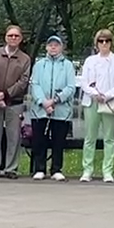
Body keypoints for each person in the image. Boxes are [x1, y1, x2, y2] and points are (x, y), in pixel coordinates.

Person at [77, 29, 114, 183]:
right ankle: (87, 170)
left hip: (110, 102)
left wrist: (108, 95)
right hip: (92, 102)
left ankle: (108, 171)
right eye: (101, 41)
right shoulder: (90, 61)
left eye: (107, 41)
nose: (104, 44)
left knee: (109, 138)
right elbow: (84, 81)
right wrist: (94, 94)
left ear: (111, 43)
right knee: (90, 137)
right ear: (96, 43)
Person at [27, 35, 77, 180]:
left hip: (60, 110)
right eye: (51, 45)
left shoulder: (67, 65)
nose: (53, 47)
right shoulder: (39, 64)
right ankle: (39, 168)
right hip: (40, 110)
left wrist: (55, 100)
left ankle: (56, 169)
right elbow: (34, 84)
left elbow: (70, 87)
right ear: (46, 47)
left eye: (56, 45)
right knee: (39, 140)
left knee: (58, 140)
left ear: (61, 47)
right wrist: (43, 102)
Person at [0, 24, 32, 178]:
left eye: (16, 36)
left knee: (14, 137)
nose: (13, 38)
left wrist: (5, 95)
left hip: (14, 102)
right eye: (10, 35)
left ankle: (11, 168)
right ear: (5, 37)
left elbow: (23, 81)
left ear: (21, 39)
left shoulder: (25, 59)